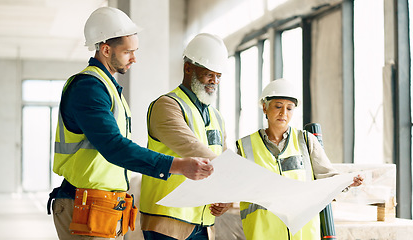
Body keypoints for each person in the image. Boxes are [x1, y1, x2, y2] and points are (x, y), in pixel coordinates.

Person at [47, 7, 214, 240]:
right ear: (105, 49)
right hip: (84, 205)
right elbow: (114, 147)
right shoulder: (88, 88)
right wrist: (178, 165)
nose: (134, 58)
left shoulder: (107, 88)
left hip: (103, 207)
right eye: (128, 52)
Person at [236, 78, 364, 240]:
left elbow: (327, 176)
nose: (284, 113)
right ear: (264, 107)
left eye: (289, 108)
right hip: (263, 233)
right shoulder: (246, 146)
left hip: (303, 234)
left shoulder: (306, 140)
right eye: (278, 106)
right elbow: (234, 188)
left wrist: (346, 181)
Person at [139, 33, 232, 240]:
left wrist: (227, 195)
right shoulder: (167, 105)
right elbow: (196, 151)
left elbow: (224, 158)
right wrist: (237, 180)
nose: (214, 81)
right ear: (188, 68)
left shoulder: (216, 116)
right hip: (168, 220)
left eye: (218, 76)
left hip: (204, 222)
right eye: (209, 74)